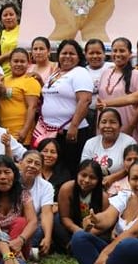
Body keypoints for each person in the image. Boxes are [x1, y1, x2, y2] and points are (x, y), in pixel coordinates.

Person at [33, 40, 93, 176]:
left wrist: (74, 126)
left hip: (70, 133)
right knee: (51, 170)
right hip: (50, 131)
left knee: (68, 169)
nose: (67, 56)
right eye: (63, 53)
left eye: (72, 53)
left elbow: (85, 100)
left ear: (79, 57)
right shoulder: (57, 73)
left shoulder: (80, 72)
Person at [0, 155, 39, 258]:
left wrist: (20, 240)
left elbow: (33, 221)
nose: (3, 177)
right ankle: (18, 263)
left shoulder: (22, 193)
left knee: (21, 222)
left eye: (7, 172)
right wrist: (4, 248)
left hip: (18, 244)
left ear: (14, 175)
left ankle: (14, 262)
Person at [55, 159, 110, 253]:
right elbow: (65, 217)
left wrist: (85, 234)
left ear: (98, 180)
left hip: (93, 231)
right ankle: (72, 246)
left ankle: (76, 247)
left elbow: (104, 224)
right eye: (83, 175)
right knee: (56, 220)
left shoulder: (103, 197)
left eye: (92, 178)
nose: (86, 180)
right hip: (72, 228)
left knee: (106, 235)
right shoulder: (66, 188)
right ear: (77, 174)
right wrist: (79, 232)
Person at [96, 37, 138, 138]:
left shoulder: (136, 74)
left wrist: (130, 127)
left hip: (127, 128)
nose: (118, 54)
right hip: (105, 128)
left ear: (130, 53)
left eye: (122, 51)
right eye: (115, 51)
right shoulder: (105, 73)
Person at [0, 48, 41, 146]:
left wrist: (25, 131)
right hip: (3, 133)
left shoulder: (30, 81)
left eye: (22, 61)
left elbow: (32, 107)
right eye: (16, 61)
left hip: (21, 134)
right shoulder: (3, 79)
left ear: (28, 63)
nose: (19, 64)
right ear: (10, 63)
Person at [18, 149, 56, 258]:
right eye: (29, 161)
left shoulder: (46, 186)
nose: (32, 166)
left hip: (32, 226)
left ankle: (23, 251)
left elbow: (47, 213)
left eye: (37, 164)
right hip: (12, 224)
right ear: (20, 163)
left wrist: (48, 237)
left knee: (39, 231)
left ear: (41, 169)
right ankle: (26, 252)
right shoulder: (11, 180)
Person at [80, 108, 130, 185]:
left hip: (121, 185)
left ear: (120, 126)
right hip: (92, 184)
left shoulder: (128, 142)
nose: (107, 126)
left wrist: (113, 178)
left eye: (113, 122)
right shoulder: (90, 142)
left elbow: (133, 166)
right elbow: (84, 168)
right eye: (103, 122)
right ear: (98, 125)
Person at [0, 2, 21, 78]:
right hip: (5, 75)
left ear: (17, 16)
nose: (8, 17)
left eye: (11, 14)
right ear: (1, 19)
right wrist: (8, 55)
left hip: (24, 73)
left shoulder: (24, 30)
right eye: (5, 15)